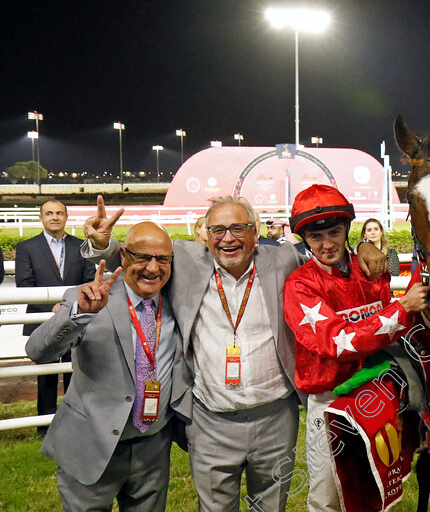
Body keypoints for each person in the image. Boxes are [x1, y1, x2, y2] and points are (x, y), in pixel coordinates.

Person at [81, 194, 388, 511]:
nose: (228, 238)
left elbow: (329, 259)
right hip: (210, 421)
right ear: (205, 234)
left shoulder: (284, 260)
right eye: (218, 230)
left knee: (270, 506)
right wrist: (102, 245)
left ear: (255, 232)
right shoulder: (186, 259)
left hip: (276, 419)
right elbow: (140, 255)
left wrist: (363, 248)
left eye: (238, 228)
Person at [26, 222, 189, 510]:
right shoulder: (90, 297)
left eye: (162, 259)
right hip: (92, 443)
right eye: (142, 257)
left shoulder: (176, 299)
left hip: (152, 447)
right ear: (123, 256)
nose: (153, 268)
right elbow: (38, 351)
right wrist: (77, 316)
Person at [283, 185, 428, 510]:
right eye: (316, 237)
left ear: (347, 228)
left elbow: (395, 267)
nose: (327, 244)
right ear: (304, 238)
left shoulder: (371, 268)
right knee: (326, 496)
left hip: (376, 396)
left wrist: (369, 247)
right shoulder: (300, 285)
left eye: (335, 232)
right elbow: (338, 343)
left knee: (374, 489)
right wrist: (402, 309)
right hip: (329, 402)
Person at [15, 199, 97, 436]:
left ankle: (74, 425)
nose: (54, 217)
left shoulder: (82, 246)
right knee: (46, 378)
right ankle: (45, 428)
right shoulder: (26, 247)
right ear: (41, 218)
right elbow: (25, 285)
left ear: (66, 217)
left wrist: (69, 307)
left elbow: (89, 280)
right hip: (43, 322)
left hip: (77, 320)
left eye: (59, 213)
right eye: (49, 213)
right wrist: (53, 307)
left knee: (76, 375)